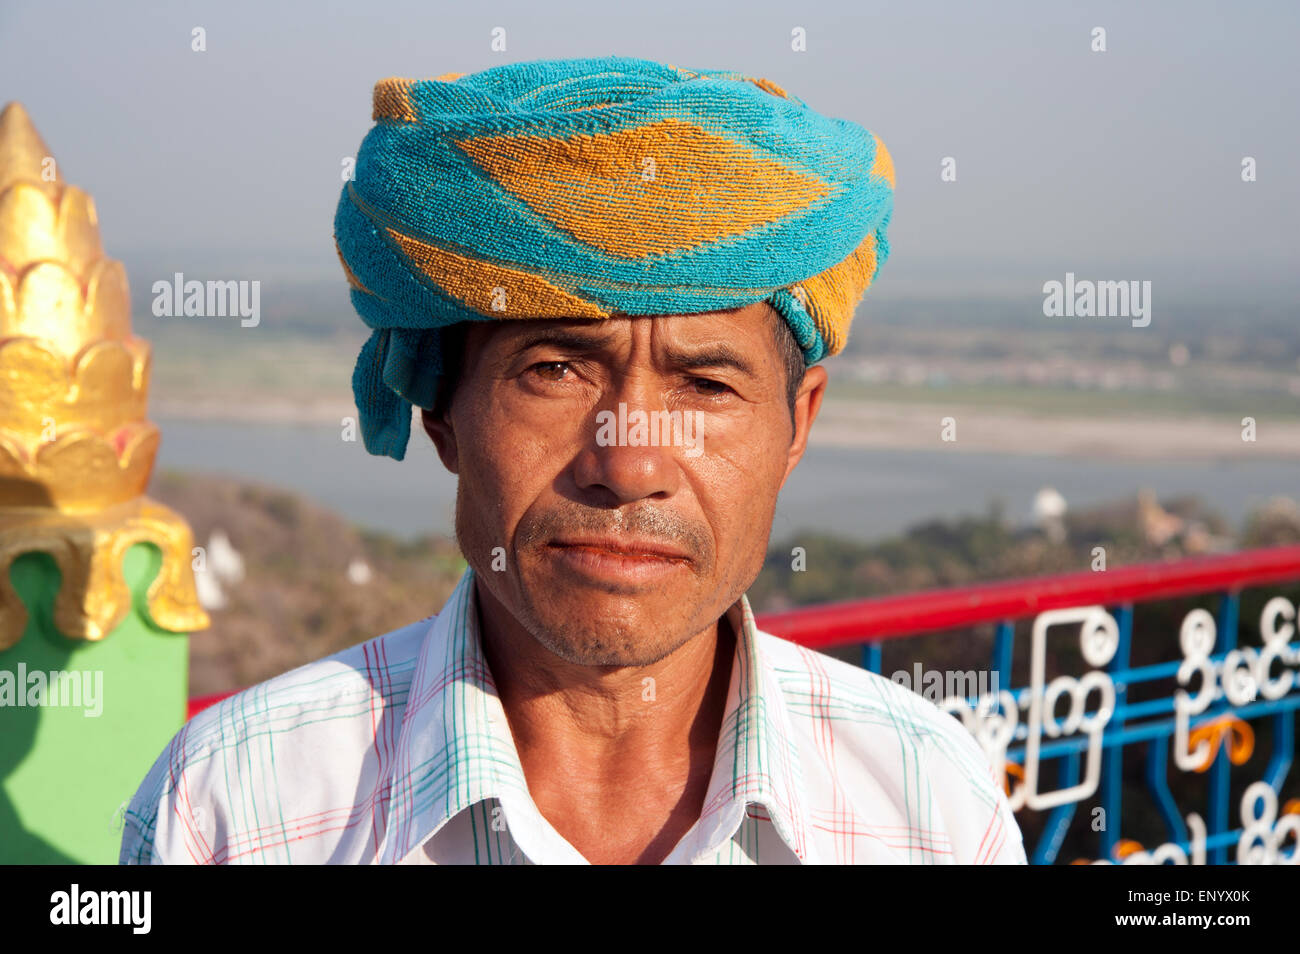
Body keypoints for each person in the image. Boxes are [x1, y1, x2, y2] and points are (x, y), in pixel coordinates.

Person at [121, 56, 1025, 865]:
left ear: (797, 426)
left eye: (706, 387)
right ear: (441, 412)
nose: (629, 466)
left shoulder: (929, 805)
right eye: (555, 371)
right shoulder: (234, 808)